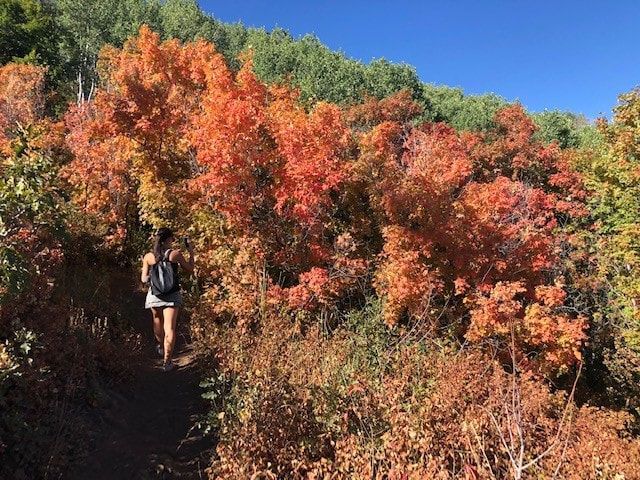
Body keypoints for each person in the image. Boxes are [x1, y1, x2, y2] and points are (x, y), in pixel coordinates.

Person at [140, 227, 195, 372]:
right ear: (168, 239)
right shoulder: (175, 255)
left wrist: (153, 277)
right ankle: (167, 362)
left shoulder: (149, 257)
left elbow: (144, 279)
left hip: (155, 295)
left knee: (157, 321)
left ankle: (160, 347)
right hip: (172, 294)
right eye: (172, 238)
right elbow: (189, 269)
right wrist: (191, 252)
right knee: (170, 328)